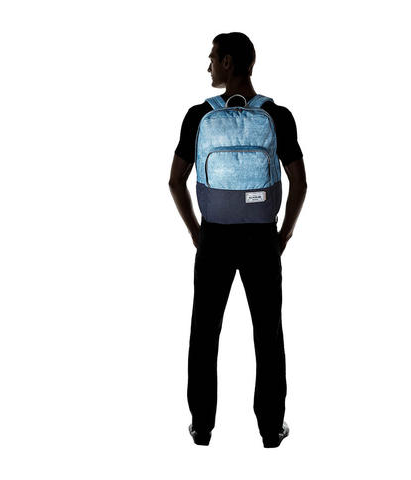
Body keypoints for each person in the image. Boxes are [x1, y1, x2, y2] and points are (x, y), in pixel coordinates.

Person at [168, 32, 307, 448]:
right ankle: (270, 429)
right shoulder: (277, 115)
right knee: (268, 333)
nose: (209, 65)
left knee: (204, 331)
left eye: (213, 58)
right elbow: (300, 183)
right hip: (262, 238)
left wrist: (197, 232)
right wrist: (283, 234)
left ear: (229, 62)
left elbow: (175, 181)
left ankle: (202, 427)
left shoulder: (198, 116)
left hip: (214, 236)